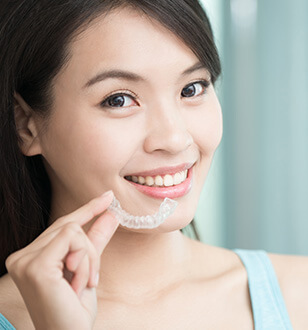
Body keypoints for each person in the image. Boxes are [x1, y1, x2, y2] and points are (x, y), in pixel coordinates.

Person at [0, 0, 307, 329]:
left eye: (192, 89)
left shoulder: (299, 294)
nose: (175, 139)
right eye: (119, 99)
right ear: (25, 126)